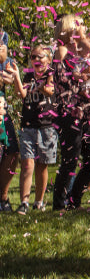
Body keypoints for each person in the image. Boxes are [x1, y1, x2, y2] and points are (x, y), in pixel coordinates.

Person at [52, 14, 90, 209]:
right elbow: (61, 82)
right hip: (70, 113)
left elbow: (86, 75)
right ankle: (60, 205)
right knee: (70, 160)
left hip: (86, 111)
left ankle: (74, 199)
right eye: (79, 26)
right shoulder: (61, 51)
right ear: (70, 29)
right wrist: (83, 85)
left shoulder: (79, 52)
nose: (84, 29)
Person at [6, 45, 57, 213]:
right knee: (27, 163)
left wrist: (41, 85)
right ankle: (24, 202)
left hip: (47, 127)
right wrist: (17, 77)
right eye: (33, 57)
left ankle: (39, 201)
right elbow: (20, 94)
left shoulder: (51, 75)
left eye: (40, 57)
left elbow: (50, 91)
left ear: (48, 60)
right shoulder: (29, 75)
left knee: (42, 165)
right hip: (28, 126)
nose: (36, 60)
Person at [0, 40, 19, 212]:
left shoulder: (6, 61)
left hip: (2, 114)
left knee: (12, 151)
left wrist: (11, 77)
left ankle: (3, 197)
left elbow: (12, 81)